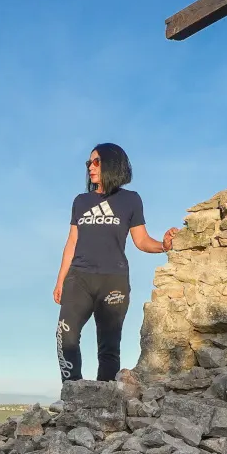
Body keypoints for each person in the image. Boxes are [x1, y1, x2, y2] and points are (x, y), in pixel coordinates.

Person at [53, 143, 178, 382]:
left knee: (109, 346)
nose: (91, 166)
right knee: (65, 336)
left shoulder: (130, 200)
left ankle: (104, 401)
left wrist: (164, 246)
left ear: (112, 164)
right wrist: (60, 281)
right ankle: (71, 393)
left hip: (114, 279)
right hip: (79, 278)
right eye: (89, 162)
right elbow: (71, 242)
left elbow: (141, 240)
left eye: (97, 161)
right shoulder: (81, 201)